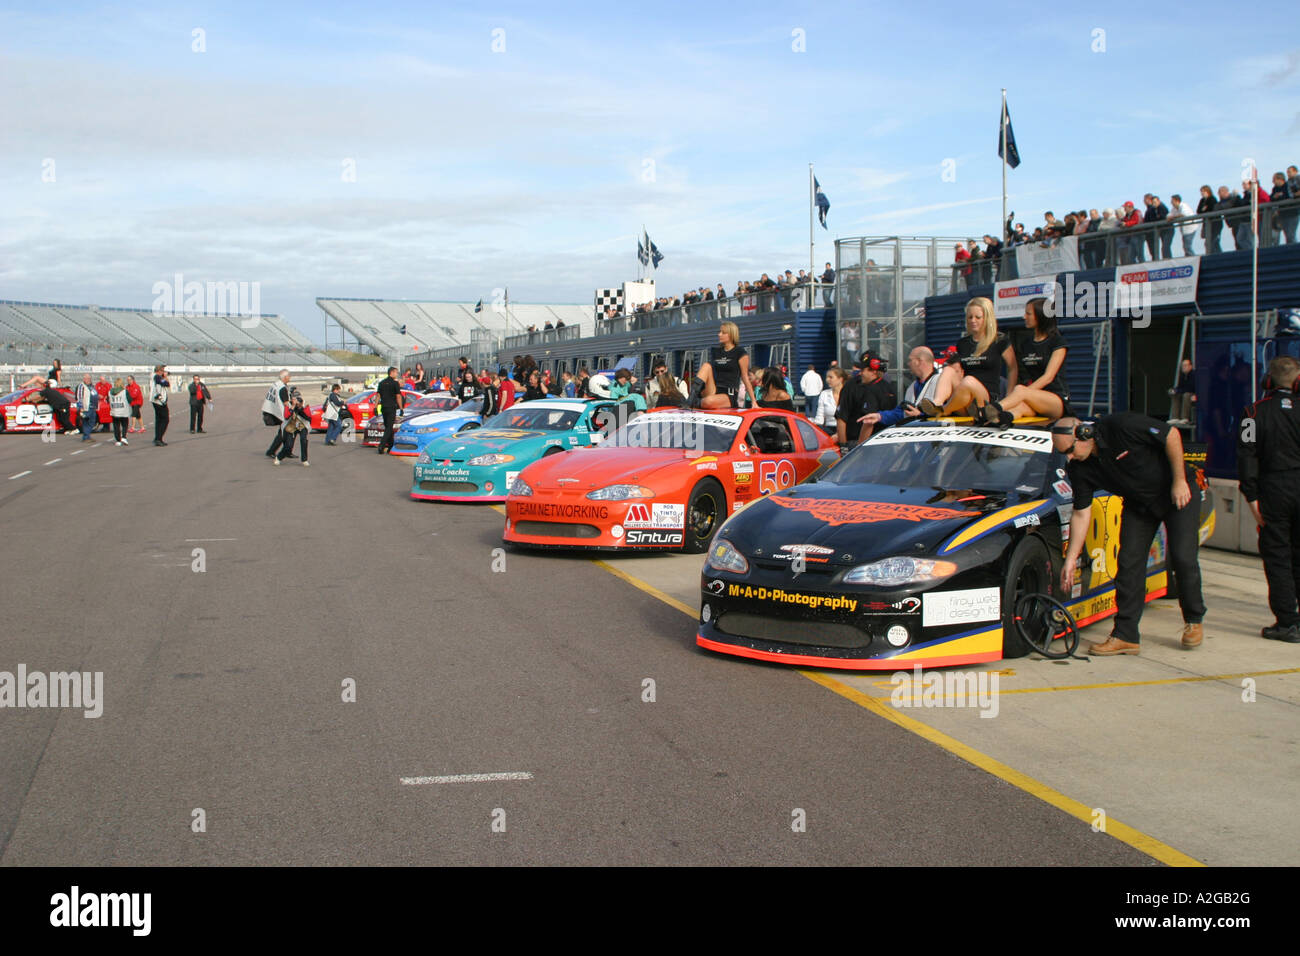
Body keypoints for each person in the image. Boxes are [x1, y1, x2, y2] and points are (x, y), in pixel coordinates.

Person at [1055, 414, 1206, 654]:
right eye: (1064, 453)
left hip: (1176, 493)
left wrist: (1179, 480)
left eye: (1071, 450)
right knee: (1128, 564)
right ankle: (1126, 635)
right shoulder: (1079, 468)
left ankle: (1193, 620)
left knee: (1183, 558)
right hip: (1139, 504)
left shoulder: (1121, 426)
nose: (1070, 457)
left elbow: (1171, 435)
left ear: (1084, 434)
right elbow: (1081, 514)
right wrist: (1071, 558)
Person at [1237, 355, 1300, 642]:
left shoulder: (1252, 413)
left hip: (1273, 489)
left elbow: (1247, 457)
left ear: (1268, 381)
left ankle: (1287, 622)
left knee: (1277, 556)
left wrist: (1252, 498)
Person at [982, 298, 1068, 426]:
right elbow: (1018, 372)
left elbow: (1048, 377)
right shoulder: (1026, 344)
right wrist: (1018, 396)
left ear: (1040, 316)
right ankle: (1001, 419)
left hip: (1056, 400)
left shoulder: (1057, 342)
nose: (1024, 317)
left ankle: (990, 410)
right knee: (1019, 408)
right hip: (1033, 399)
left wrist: (1023, 393)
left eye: (1028, 314)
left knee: (1020, 390)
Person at [921, 296, 1008, 418]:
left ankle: (944, 410)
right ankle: (936, 403)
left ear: (987, 318)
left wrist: (1008, 397)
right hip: (966, 398)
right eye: (970, 317)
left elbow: (1013, 368)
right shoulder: (963, 343)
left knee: (969, 381)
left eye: (978, 317)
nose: (973, 320)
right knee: (948, 370)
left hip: (987, 398)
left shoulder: (1000, 340)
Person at [860, 347, 942, 430]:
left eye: (910, 360)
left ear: (919, 361)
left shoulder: (941, 382)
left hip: (937, 439)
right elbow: (901, 413)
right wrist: (879, 416)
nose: (908, 364)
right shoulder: (912, 387)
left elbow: (949, 411)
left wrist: (921, 416)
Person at [687, 322, 758, 409]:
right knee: (706, 366)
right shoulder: (716, 352)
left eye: (723, 333)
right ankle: (690, 400)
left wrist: (754, 402)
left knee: (709, 401)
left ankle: (695, 403)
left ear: (731, 335)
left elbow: (745, 377)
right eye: (719, 332)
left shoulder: (740, 353)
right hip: (713, 389)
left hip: (728, 394)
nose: (719, 334)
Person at [835, 350, 894, 446]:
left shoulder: (887, 388)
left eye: (863, 370)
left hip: (880, 443)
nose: (860, 373)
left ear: (873, 371)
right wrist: (843, 446)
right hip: (855, 442)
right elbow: (841, 418)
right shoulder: (852, 385)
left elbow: (869, 423)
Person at [375, 366, 404, 454]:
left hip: (384, 407)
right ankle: (382, 445)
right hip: (391, 407)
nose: (397, 374)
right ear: (391, 373)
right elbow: (398, 396)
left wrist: (375, 406)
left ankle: (391, 446)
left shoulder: (382, 383)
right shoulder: (395, 383)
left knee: (388, 427)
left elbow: (378, 395)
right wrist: (401, 408)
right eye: (396, 372)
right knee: (389, 427)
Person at [263, 370, 292, 459]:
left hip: (271, 410)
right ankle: (272, 451)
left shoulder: (276, 384)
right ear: (285, 377)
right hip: (279, 412)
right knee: (283, 433)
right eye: (289, 376)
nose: (290, 377)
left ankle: (286, 451)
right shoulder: (282, 388)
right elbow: (286, 403)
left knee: (286, 432)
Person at [276, 393, 311, 466]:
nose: (295, 400)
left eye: (297, 399)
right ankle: (279, 457)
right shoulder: (288, 405)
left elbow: (308, 417)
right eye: (294, 399)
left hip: (302, 425)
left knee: (303, 440)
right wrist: (293, 406)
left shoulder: (305, 404)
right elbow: (286, 416)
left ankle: (304, 460)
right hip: (291, 426)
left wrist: (300, 408)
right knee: (289, 445)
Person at [813, 367, 846, 435]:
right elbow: (819, 418)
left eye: (831, 377)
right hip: (829, 430)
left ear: (840, 379)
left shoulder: (848, 394)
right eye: (827, 377)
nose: (827, 380)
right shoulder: (824, 394)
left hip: (846, 430)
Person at [1169, 358, 1196, 424]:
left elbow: (1191, 388)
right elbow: (1180, 386)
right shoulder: (1182, 375)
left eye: (1185, 365)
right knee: (1175, 394)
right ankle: (1175, 417)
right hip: (1185, 392)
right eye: (1182, 366)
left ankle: (1185, 417)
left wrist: (1179, 390)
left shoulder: (1194, 375)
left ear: (1190, 366)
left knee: (1186, 395)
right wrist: (1174, 390)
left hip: (1193, 393)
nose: (1183, 367)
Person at [151, 365, 171, 446]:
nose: (164, 372)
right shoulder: (157, 377)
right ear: (159, 371)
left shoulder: (156, 377)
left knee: (159, 420)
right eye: (163, 370)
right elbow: (167, 384)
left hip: (157, 401)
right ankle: (159, 438)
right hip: (159, 401)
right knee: (165, 420)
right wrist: (165, 377)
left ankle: (157, 438)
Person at [1198, 185, 1221, 254]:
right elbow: (1198, 211)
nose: (1202, 193)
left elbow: (1211, 209)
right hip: (1207, 224)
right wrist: (1204, 209)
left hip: (1215, 224)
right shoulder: (1202, 200)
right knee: (1211, 242)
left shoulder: (1212, 199)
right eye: (1201, 191)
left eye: (1203, 191)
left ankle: (1216, 256)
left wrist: (1204, 209)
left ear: (1208, 191)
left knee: (1212, 242)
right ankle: (1217, 255)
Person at [109, 377, 131, 445]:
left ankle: (118, 440)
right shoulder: (125, 391)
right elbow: (130, 400)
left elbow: (108, 400)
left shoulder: (110, 392)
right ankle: (124, 437)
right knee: (125, 425)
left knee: (116, 426)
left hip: (114, 411)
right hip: (123, 411)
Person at [76, 374, 98, 442]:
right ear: (84, 379)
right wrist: (80, 407)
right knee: (86, 422)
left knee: (92, 422)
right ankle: (86, 437)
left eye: (89, 378)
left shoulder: (91, 386)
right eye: (87, 379)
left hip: (93, 407)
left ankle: (87, 435)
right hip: (86, 407)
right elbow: (79, 397)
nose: (88, 380)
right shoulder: (81, 386)